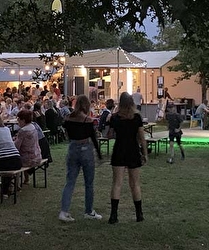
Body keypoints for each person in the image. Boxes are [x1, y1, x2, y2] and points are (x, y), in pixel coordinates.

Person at [59, 94, 102, 222]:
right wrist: (99, 154)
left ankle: (64, 211)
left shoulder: (68, 118)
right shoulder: (87, 120)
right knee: (89, 183)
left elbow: (66, 132)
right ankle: (89, 211)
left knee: (70, 181)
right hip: (85, 148)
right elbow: (93, 138)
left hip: (72, 148)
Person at [108, 92, 147, 224]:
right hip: (133, 150)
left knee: (117, 183)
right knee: (135, 183)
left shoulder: (115, 117)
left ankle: (113, 215)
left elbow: (110, 135)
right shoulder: (136, 117)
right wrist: (145, 153)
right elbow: (142, 137)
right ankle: (139, 214)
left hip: (119, 150)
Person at [14, 109, 42, 184]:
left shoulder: (23, 131)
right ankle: (26, 179)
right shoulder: (33, 127)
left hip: (28, 159)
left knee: (13, 160)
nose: (18, 122)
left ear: (23, 120)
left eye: (19, 120)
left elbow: (16, 147)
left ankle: (15, 185)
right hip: (37, 155)